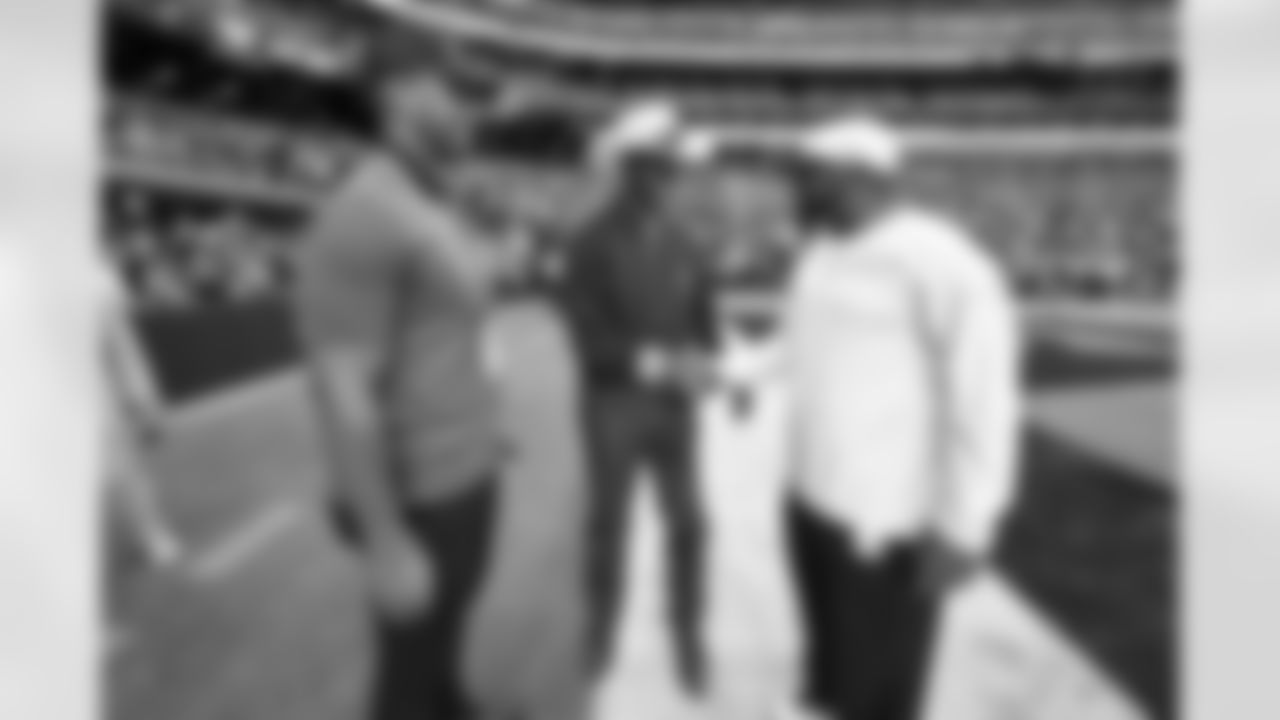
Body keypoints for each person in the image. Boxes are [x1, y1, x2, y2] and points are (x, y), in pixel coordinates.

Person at [774, 116, 1024, 720]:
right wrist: (727, 369)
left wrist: (967, 524)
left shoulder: (941, 261)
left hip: (882, 520)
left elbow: (983, 397)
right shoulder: (821, 252)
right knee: (833, 669)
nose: (795, 188)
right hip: (810, 499)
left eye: (809, 175)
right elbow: (793, 347)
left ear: (861, 178)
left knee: (880, 688)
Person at [291, 62, 511, 720]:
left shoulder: (432, 201)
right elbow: (341, 387)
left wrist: (482, 426)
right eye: (454, 91)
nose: (471, 109)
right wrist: (385, 541)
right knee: (407, 676)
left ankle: (454, 705)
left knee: (449, 623)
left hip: (465, 467)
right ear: (399, 94)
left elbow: (445, 330)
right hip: (419, 493)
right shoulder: (366, 209)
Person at [559, 100, 720, 698]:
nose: (671, 177)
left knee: (691, 525)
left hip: (674, 408)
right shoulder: (589, 242)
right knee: (609, 527)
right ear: (631, 169)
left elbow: (704, 325)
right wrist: (658, 363)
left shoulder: (687, 241)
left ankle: (688, 636)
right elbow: (584, 337)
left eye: (674, 167)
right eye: (660, 166)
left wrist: (707, 365)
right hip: (613, 405)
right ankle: (599, 637)